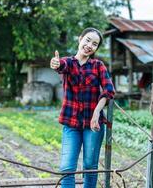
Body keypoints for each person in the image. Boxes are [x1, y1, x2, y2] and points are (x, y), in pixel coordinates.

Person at [50, 27, 115, 188]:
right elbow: (61, 65)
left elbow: (109, 91)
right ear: (80, 39)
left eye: (94, 44)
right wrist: (56, 63)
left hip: (93, 125)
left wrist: (96, 112)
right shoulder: (68, 63)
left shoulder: (98, 66)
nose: (89, 45)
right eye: (87, 40)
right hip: (71, 123)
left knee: (90, 167)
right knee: (66, 168)